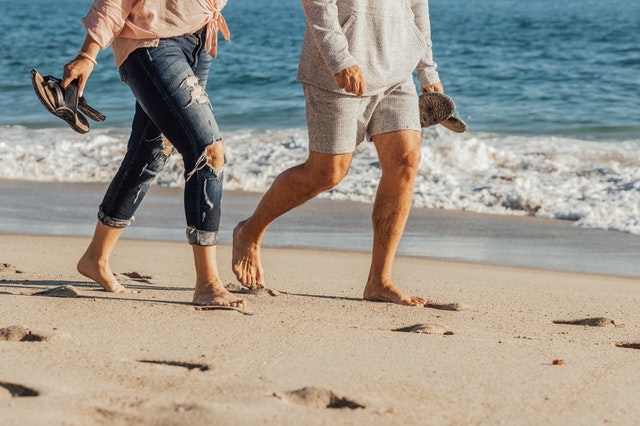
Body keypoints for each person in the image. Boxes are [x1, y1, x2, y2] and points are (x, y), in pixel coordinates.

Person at [232, 0, 444, 306]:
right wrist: (340, 59)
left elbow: (417, 8)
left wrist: (427, 70)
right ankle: (249, 231)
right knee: (327, 172)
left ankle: (379, 280)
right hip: (339, 70)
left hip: (398, 72)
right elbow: (317, 4)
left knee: (406, 161)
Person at [62, 0, 245, 308]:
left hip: (199, 41)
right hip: (151, 44)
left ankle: (96, 258)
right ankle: (208, 283)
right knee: (208, 151)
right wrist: (88, 54)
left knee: (151, 153)